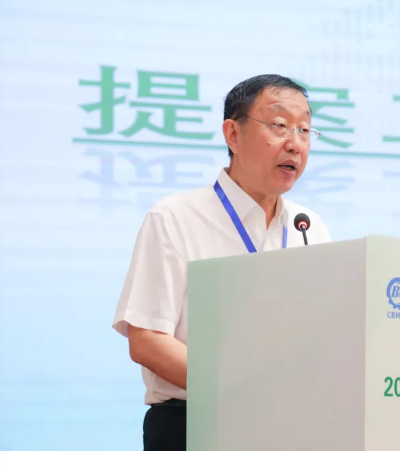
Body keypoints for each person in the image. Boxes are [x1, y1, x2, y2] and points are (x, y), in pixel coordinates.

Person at [111, 74, 332, 451]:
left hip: (289, 427)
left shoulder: (307, 226)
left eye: (305, 130)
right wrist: (244, 387)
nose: (295, 143)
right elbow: (146, 341)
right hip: (194, 424)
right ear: (233, 134)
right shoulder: (176, 217)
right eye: (279, 125)